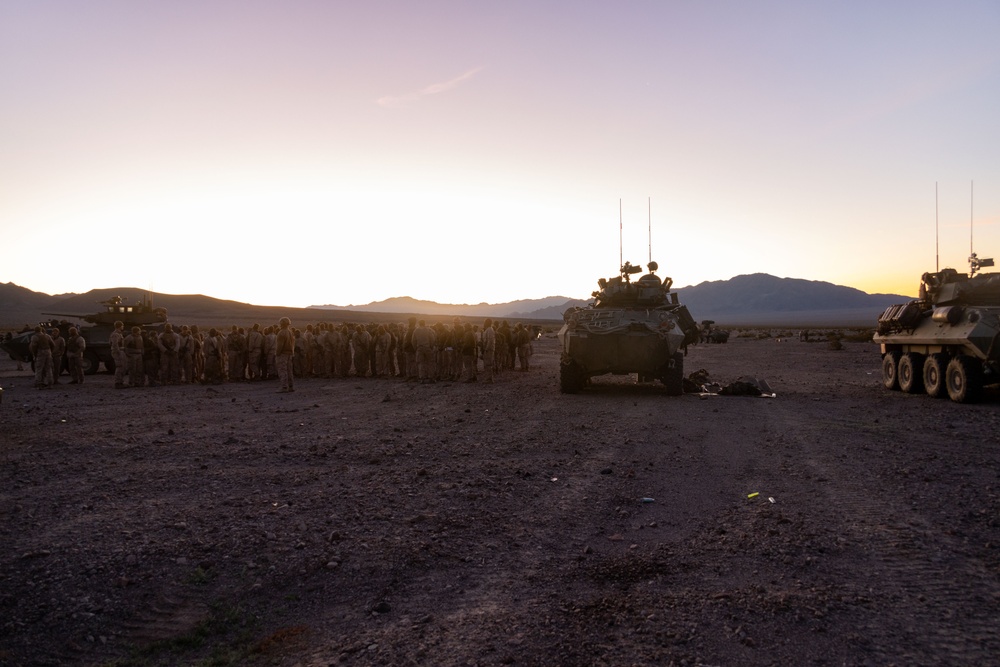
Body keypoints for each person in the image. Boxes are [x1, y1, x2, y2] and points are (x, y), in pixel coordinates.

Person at [411, 319, 436, 383]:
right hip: (427, 348)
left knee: (421, 363)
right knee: (430, 363)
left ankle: (422, 378)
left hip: (419, 348)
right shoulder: (428, 330)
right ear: (424, 323)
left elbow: (413, 341)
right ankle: (431, 377)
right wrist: (431, 346)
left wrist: (415, 348)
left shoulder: (416, 330)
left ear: (419, 323)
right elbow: (432, 339)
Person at [275, 317, 295, 392]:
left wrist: (277, 353)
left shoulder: (281, 332)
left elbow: (280, 345)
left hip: (283, 354)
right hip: (289, 354)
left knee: (282, 370)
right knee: (289, 370)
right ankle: (291, 386)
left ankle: (284, 387)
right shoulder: (290, 332)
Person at [109, 321, 128, 388]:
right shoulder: (115, 334)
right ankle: (118, 382)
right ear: (120, 326)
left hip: (120, 350)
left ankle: (120, 381)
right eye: (122, 326)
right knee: (120, 367)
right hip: (118, 351)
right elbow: (115, 344)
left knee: (123, 367)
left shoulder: (118, 334)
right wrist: (118, 352)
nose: (123, 327)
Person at [481, 319, 496, 384]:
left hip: (488, 350)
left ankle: (489, 379)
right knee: (487, 364)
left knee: (488, 364)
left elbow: (490, 340)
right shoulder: (488, 329)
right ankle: (488, 378)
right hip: (487, 349)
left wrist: (486, 349)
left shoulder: (489, 330)